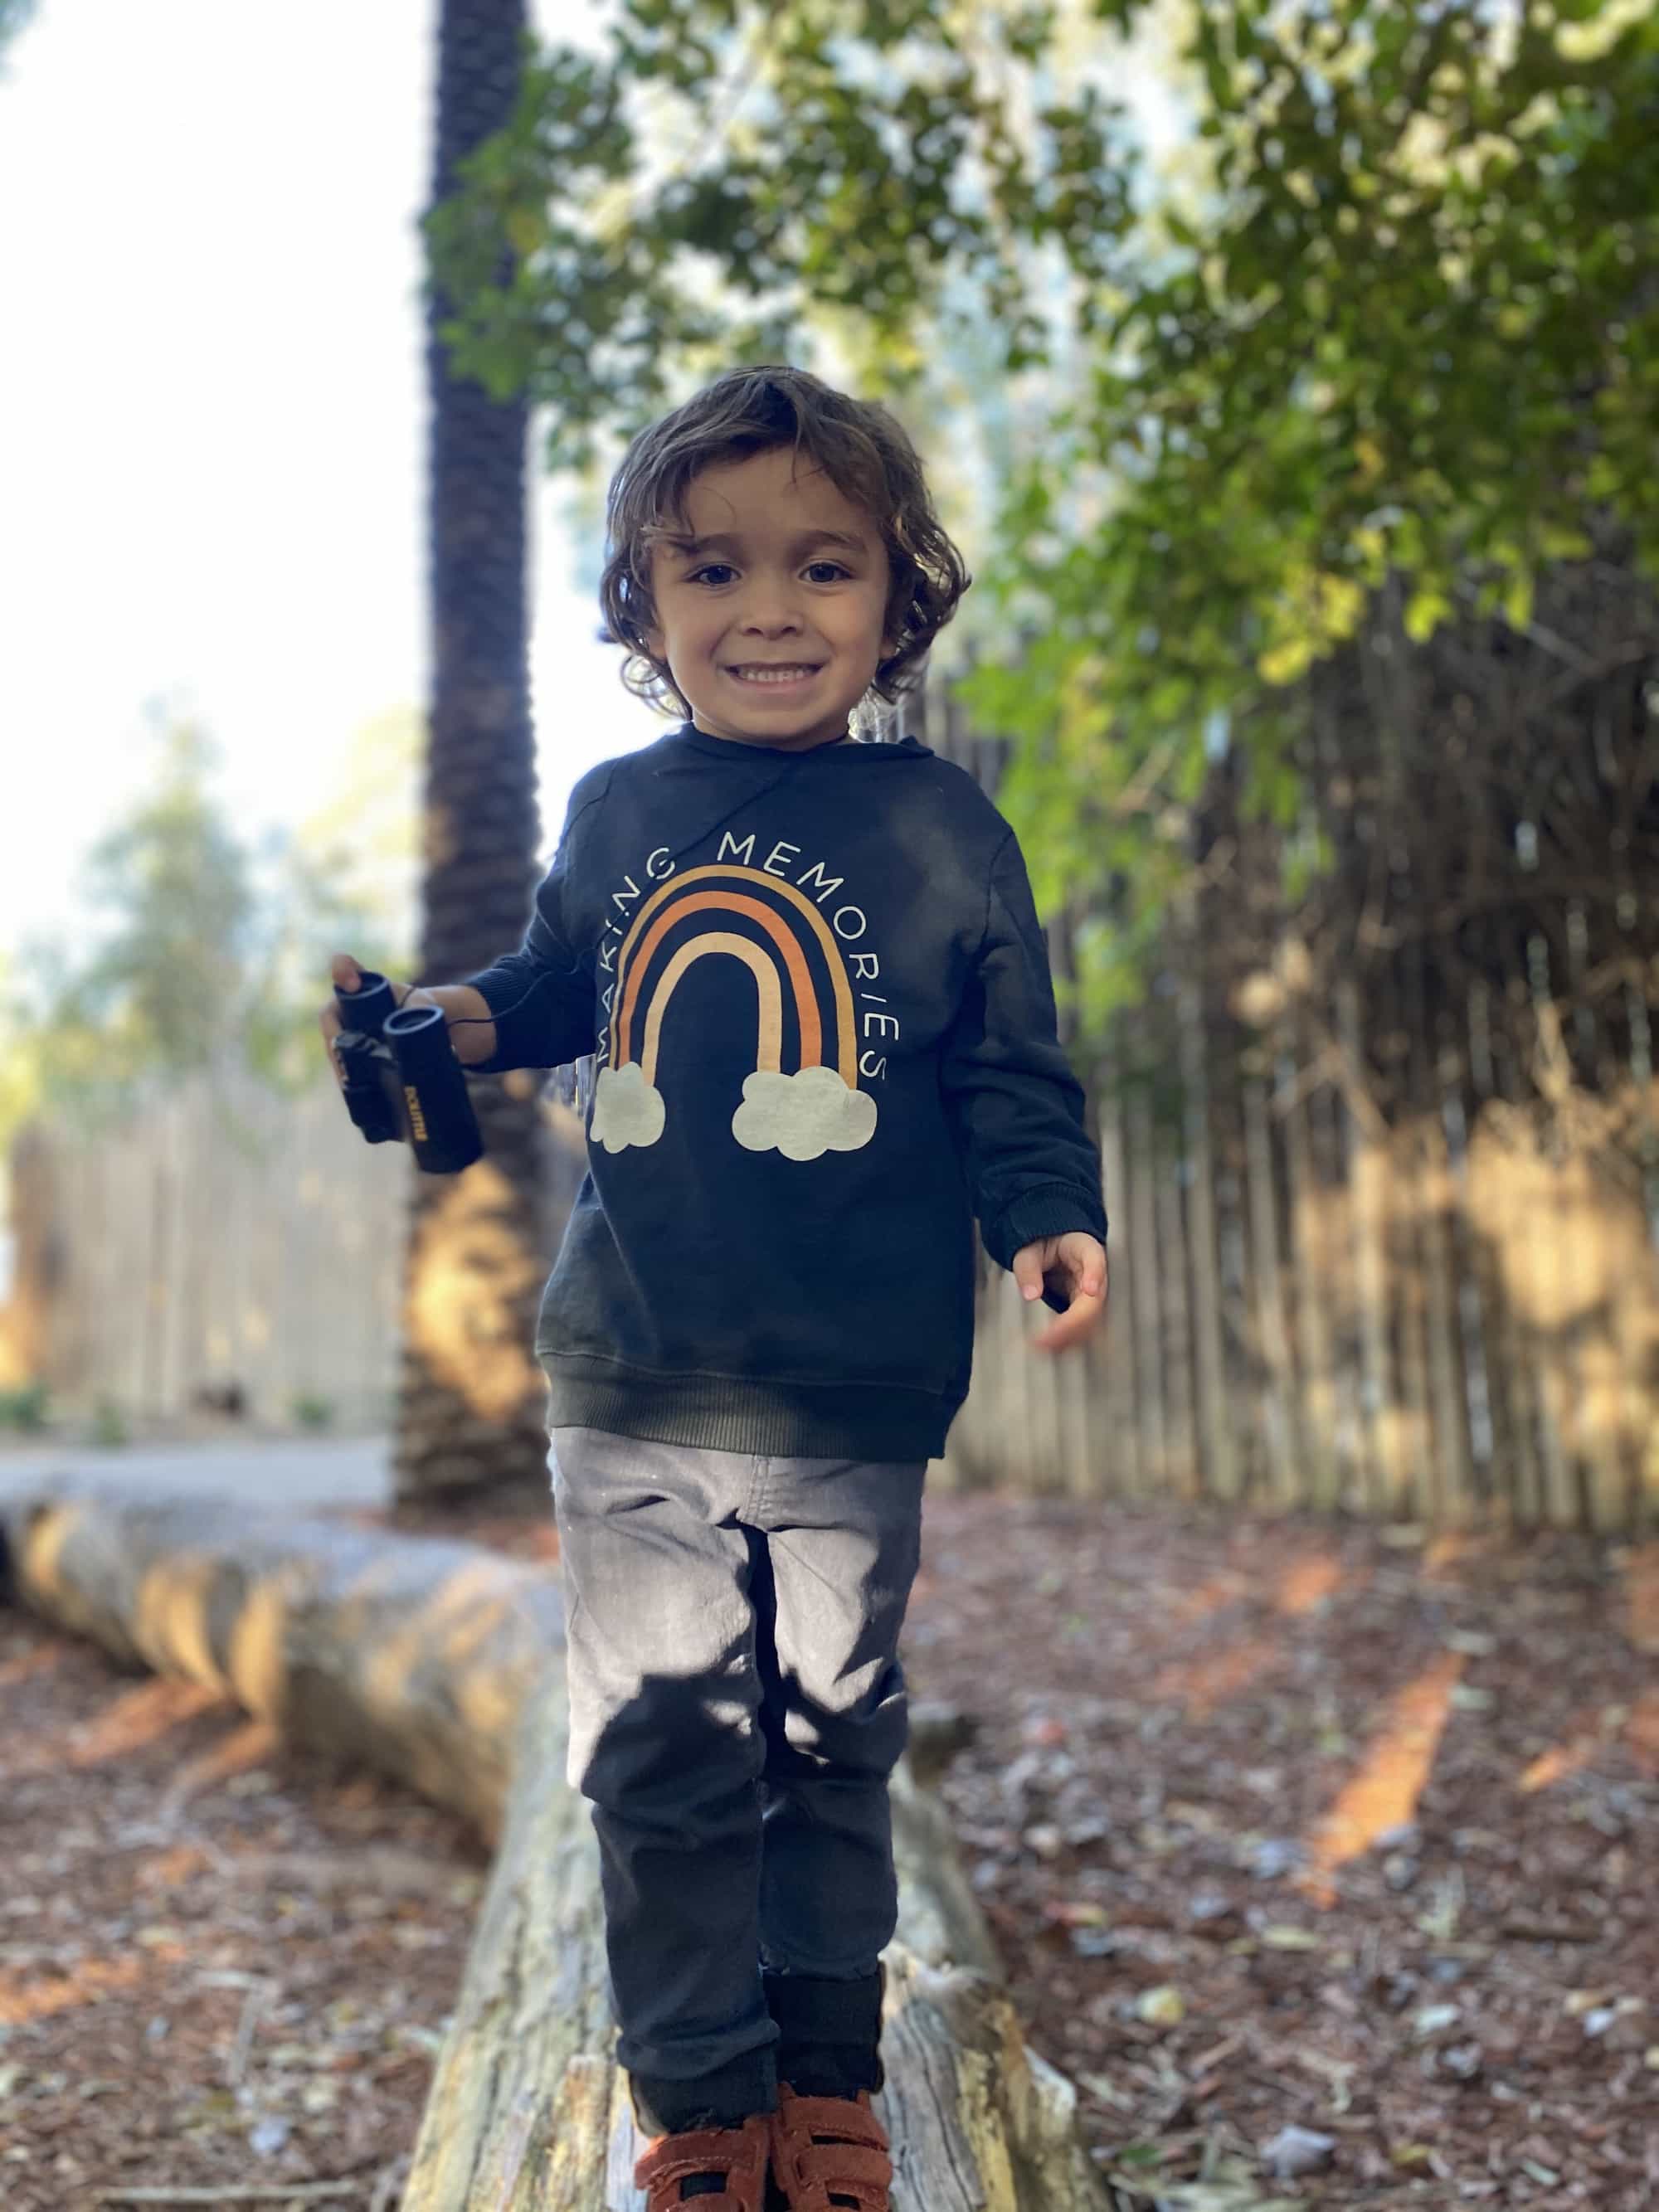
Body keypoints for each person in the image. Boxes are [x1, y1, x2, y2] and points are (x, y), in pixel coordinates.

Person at [320, 364, 1107, 2212]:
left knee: (832, 1732)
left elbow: (1011, 1068)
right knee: (663, 1746)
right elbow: (549, 985)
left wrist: (1045, 1215)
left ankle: (830, 2085)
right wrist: (437, 1022)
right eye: (714, 569)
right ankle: (696, 2100)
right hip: (635, 1374)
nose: (769, 609)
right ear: (643, 606)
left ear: (896, 599)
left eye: (823, 567)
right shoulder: (614, 811)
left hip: (852, 1387)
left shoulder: (941, 831)